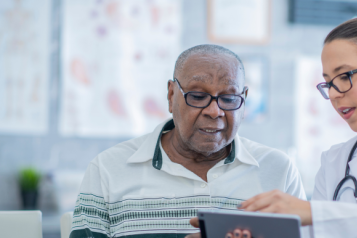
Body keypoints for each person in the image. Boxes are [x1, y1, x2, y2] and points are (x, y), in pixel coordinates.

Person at [69, 44, 306, 238]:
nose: (215, 111)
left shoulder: (278, 170)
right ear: (172, 96)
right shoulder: (108, 169)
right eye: (198, 96)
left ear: (243, 100)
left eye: (229, 98)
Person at [187, 18, 357, 238]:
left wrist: (314, 213)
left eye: (344, 76)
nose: (333, 93)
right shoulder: (335, 161)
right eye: (329, 82)